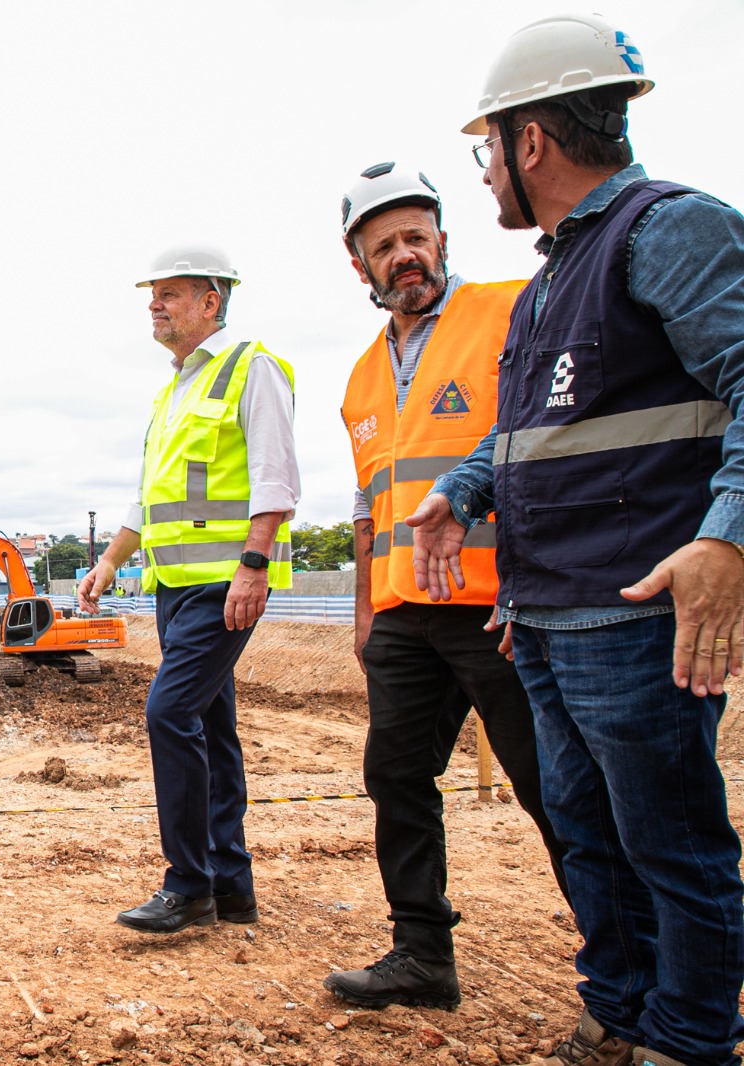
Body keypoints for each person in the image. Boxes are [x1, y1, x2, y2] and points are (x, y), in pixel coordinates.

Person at [407, 15, 744, 1066]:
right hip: (547, 616)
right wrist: (461, 491)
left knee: (671, 847)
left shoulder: (667, 230)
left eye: (487, 152)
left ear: (532, 142)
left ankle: (689, 1041)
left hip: (635, 616)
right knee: (589, 838)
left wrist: (725, 540)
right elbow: (530, 436)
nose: (486, 175)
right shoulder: (556, 274)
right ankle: (620, 1013)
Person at [323, 163, 570, 1011]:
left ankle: (626, 966)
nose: (404, 256)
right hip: (402, 614)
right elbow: (367, 507)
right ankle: (421, 953)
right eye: (384, 245)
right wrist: (364, 613)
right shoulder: (359, 376)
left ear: (441, 240)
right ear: (360, 264)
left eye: (415, 238)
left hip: (500, 605)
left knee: (553, 788)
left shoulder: (507, 310)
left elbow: (542, 430)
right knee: (395, 778)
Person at [77, 247, 299, 934]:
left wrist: (253, 567)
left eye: (170, 293)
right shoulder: (172, 391)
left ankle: (188, 885)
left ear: (212, 300)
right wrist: (111, 562)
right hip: (174, 585)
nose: (155, 304)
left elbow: (276, 477)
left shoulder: (251, 368)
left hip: (224, 584)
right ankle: (231, 887)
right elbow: (150, 500)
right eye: (153, 294)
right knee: (210, 727)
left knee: (168, 713)